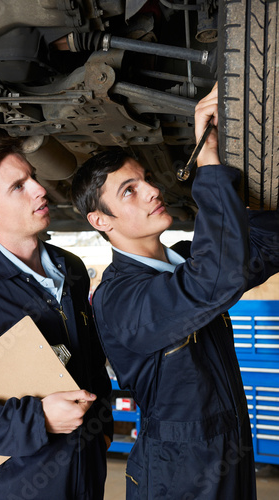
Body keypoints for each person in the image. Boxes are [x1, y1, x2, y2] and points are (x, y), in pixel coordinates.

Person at [71, 83, 279, 499]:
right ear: (100, 221)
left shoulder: (184, 260)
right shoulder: (119, 298)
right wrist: (208, 162)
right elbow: (216, 277)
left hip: (230, 446)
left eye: (145, 180)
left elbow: (267, 245)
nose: (152, 190)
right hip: (177, 472)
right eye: (129, 191)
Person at [0, 139, 113, 500]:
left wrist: (103, 427)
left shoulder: (72, 268)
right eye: (18, 186)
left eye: (33, 177)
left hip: (85, 472)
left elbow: (90, 360)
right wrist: (37, 419)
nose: (40, 189)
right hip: (14, 485)